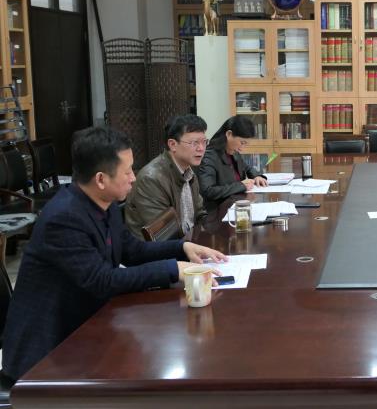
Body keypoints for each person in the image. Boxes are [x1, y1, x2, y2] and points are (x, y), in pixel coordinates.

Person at [1, 127, 227, 383]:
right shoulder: (64, 218)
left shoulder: (103, 202)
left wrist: (181, 248)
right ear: (101, 179)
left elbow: (131, 250)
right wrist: (174, 269)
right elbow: (102, 280)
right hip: (48, 351)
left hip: (86, 328)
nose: (134, 178)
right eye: (127, 171)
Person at [125, 114, 208, 240]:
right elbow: (164, 235)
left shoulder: (188, 172)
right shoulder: (151, 179)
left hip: (187, 241)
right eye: (194, 143)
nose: (201, 148)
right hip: (160, 248)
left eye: (204, 142)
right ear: (173, 144)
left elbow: (200, 213)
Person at [198, 115, 268, 209]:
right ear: (229, 134)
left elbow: (247, 167)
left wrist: (257, 176)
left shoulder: (233, 151)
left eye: (246, 144)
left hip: (237, 205)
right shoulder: (209, 156)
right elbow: (208, 191)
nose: (242, 149)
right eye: (242, 143)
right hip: (219, 211)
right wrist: (241, 186)